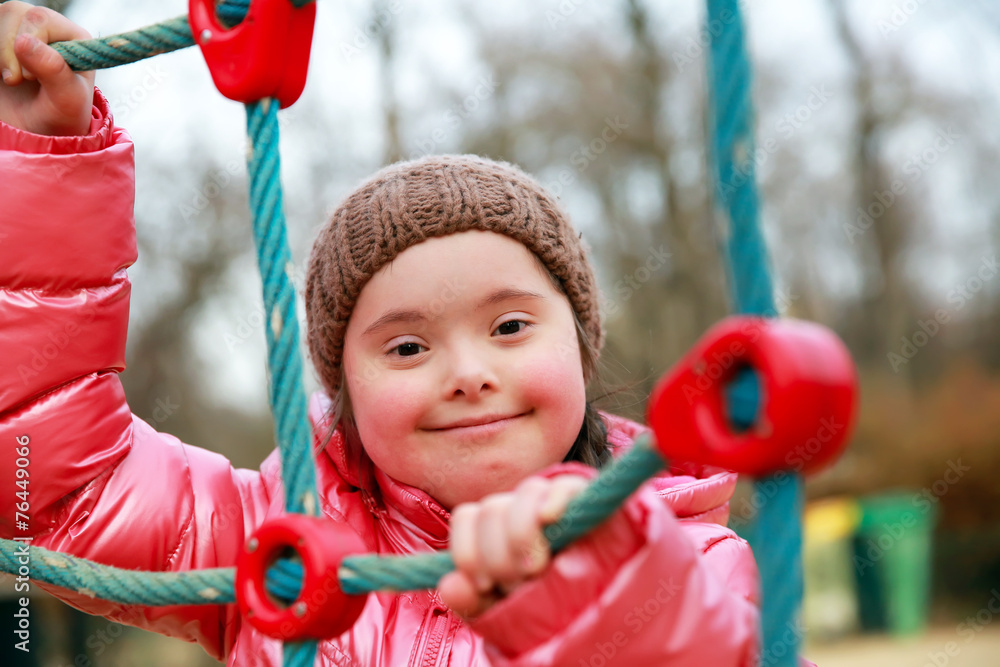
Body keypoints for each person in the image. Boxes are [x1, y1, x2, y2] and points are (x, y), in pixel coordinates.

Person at [0, 4, 764, 665]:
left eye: (508, 325)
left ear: (581, 343)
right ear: (346, 390)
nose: (468, 371)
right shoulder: (274, 537)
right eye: (406, 346)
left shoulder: (688, 558)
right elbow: (57, 482)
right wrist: (38, 154)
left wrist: (623, 599)